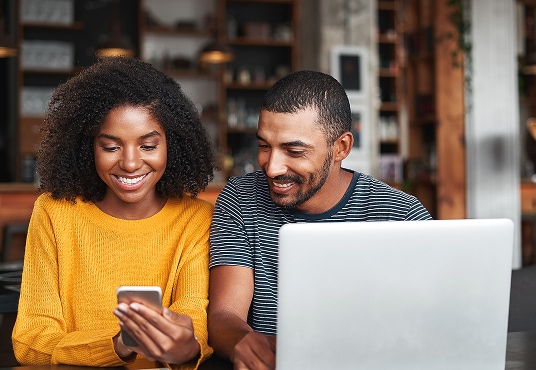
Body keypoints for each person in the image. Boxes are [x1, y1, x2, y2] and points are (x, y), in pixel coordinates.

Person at [208, 70, 432, 369]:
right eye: (264, 146)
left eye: (294, 151)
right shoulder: (240, 199)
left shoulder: (401, 216)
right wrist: (242, 343)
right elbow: (224, 314)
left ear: (341, 148)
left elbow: (430, 322)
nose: (272, 167)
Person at [12, 57, 218, 369]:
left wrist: (186, 348)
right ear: (87, 147)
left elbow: (194, 325)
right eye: (111, 147)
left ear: (172, 147)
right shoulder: (55, 213)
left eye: (148, 146)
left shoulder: (195, 219)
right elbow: (30, 342)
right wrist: (119, 345)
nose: (131, 163)